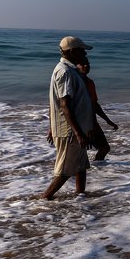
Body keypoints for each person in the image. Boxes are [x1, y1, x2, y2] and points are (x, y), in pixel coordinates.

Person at [42, 36, 97, 200]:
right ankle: (44, 200)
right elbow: (64, 105)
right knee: (65, 170)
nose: (85, 54)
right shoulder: (64, 72)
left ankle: (81, 197)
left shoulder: (70, 70)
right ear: (72, 52)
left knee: (81, 166)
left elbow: (55, 103)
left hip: (75, 128)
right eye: (82, 50)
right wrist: (78, 133)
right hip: (70, 131)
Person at [77, 58, 118, 161]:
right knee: (80, 152)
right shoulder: (75, 83)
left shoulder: (90, 82)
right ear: (76, 66)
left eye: (88, 64)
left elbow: (94, 105)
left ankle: (97, 168)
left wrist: (108, 120)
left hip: (92, 123)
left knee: (104, 148)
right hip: (80, 124)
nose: (86, 66)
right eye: (82, 64)